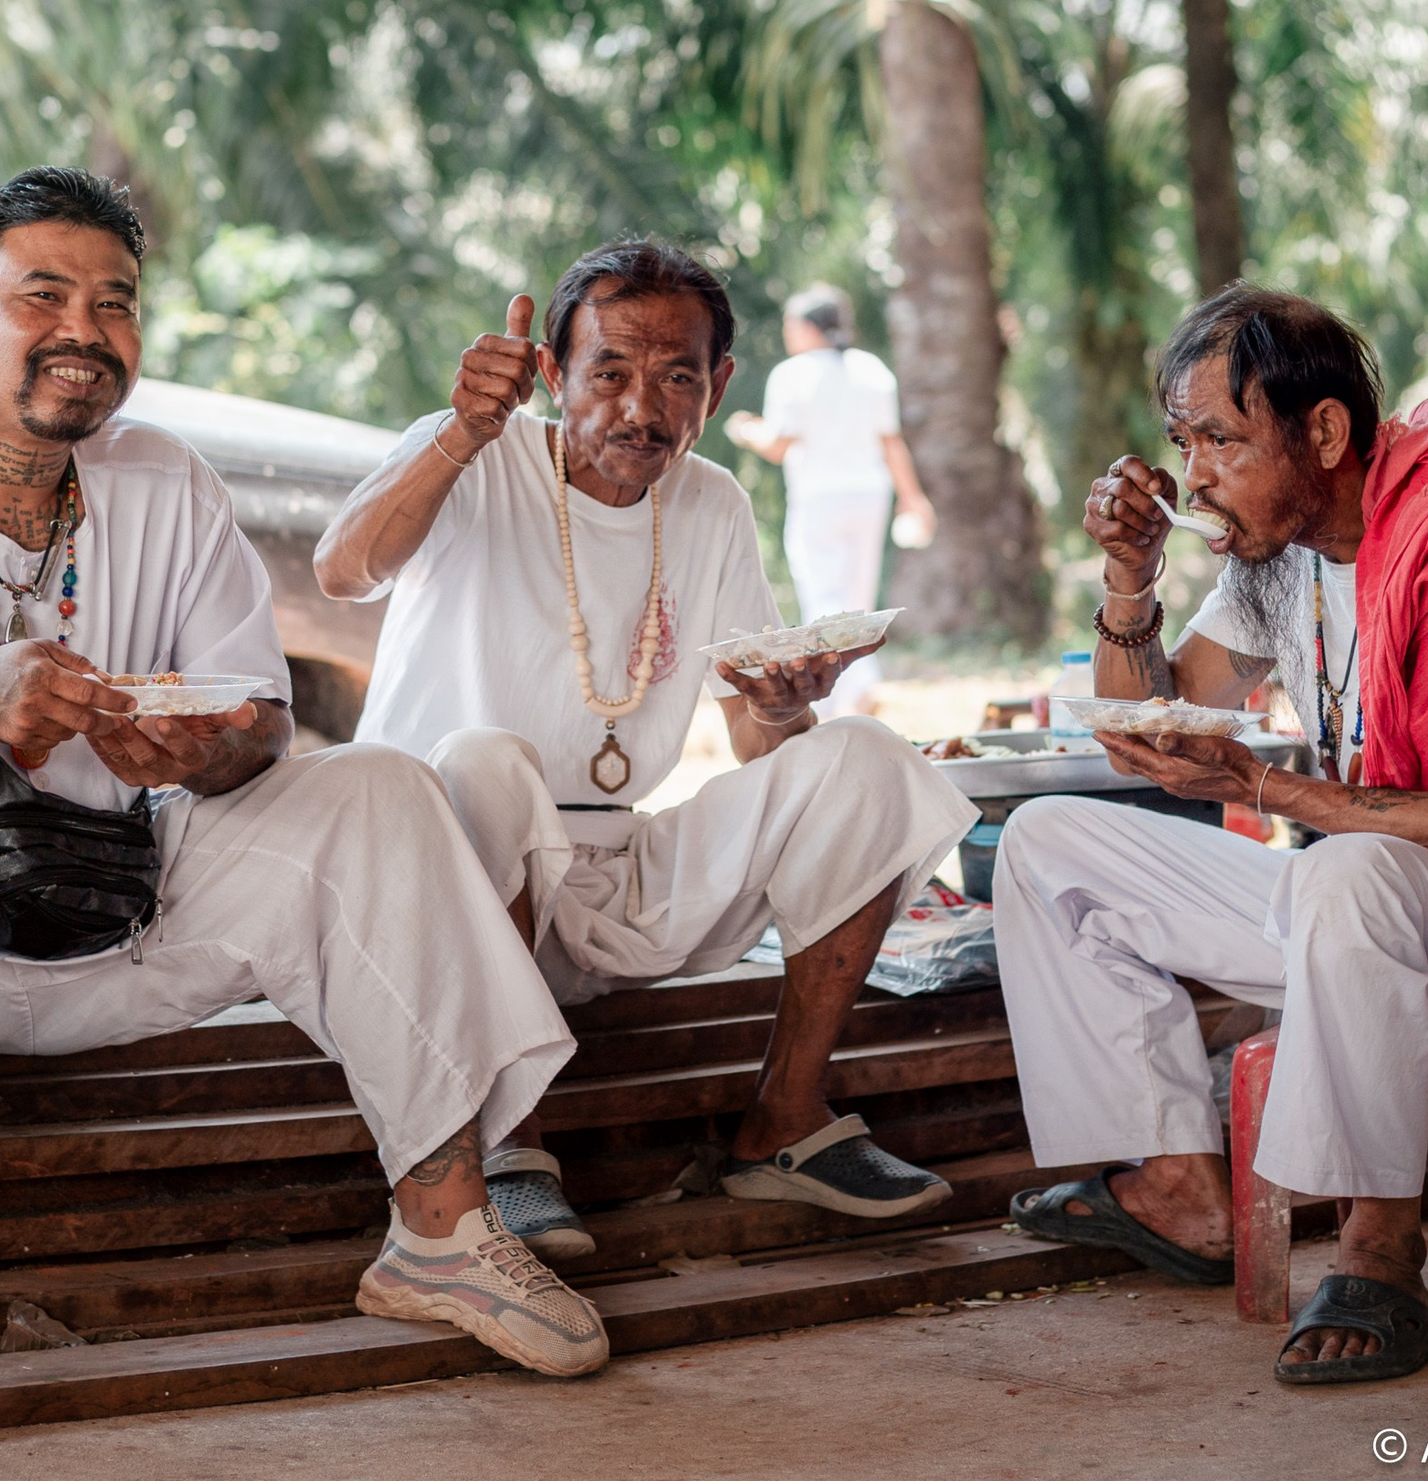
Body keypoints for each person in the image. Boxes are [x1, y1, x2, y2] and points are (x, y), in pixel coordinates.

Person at [0, 169, 605, 1454]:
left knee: (376, 782)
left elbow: (259, 718)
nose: (83, 331)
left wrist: (200, 751)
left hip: (137, 921)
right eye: (41, 296)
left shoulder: (169, 483)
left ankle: (440, 1232)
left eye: (115, 303)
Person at [993, 285, 1428, 1388]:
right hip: (1373, 898)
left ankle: (1381, 1245)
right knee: (1046, 845)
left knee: (1350, 869)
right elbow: (1158, 706)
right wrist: (1128, 578)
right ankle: (1181, 1190)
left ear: (1322, 433)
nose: (1192, 477)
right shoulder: (1278, 559)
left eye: (1221, 440)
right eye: (1183, 443)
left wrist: (1277, 793)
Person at [316, 237, 975, 1260]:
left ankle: (785, 1123)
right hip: (437, 890)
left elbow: (757, 745)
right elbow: (341, 569)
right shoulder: (476, 453)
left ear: (717, 386)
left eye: (676, 377)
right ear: (550, 374)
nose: (641, 408)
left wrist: (783, 702)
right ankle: (507, 1146)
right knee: (488, 760)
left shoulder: (711, 500)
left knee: (866, 757)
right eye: (609, 373)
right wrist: (456, 431)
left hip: (609, 877)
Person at [723, 285, 935, 720]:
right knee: (857, 596)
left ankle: (857, 686)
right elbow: (891, 442)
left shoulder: (793, 374)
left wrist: (745, 431)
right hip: (870, 494)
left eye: (789, 324)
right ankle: (851, 689)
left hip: (819, 497)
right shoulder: (871, 369)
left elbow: (778, 445)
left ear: (807, 327)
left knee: (821, 593)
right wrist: (913, 498)